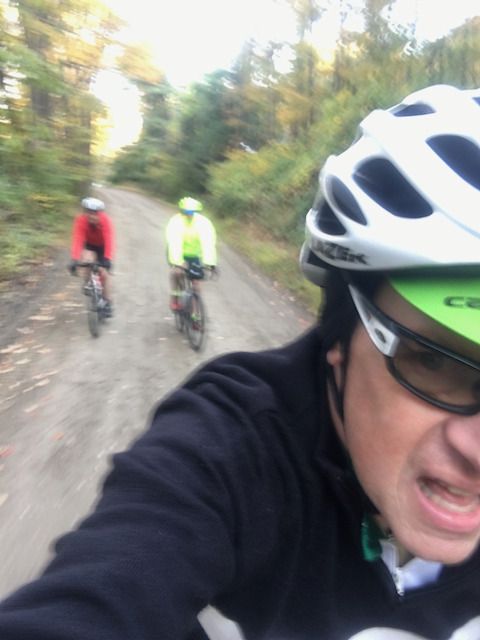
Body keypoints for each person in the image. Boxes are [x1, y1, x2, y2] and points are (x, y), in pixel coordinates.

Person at [1, 84, 480, 639]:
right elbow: (104, 589)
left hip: (193, 255)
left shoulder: (201, 225)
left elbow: (203, 243)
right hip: (165, 255)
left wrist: (199, 268)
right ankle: (176, 302)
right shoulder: (233, 442)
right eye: (436, 363)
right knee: (168, 275)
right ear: (339, 341)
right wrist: (135, 267)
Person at [165, 196, 217, 311]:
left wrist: (210, 263)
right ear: (181, 211)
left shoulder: (203, 223)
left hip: (194, 256)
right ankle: (175, 297)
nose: (189, 214)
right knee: (177, 273)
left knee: (196, 282)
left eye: (192, 212)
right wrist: (178, 262)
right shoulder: (176, 222)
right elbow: (174, 243)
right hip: (177, 254)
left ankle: (195, 311)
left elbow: (208, 243)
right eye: (186, 212)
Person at [69, 196, 115, 316]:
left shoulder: (105, 220)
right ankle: (88, 281)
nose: (91, 216)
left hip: (102, 246)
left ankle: (107, 301)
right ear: (85, 212)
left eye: (94, 213)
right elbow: (78, 239)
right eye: (88, 213)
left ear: (99, 213)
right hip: (89, 245)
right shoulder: (81, 220)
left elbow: (109, 240)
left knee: (104, 274)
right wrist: (74, 259)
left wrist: (107, 259)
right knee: (87, 260)